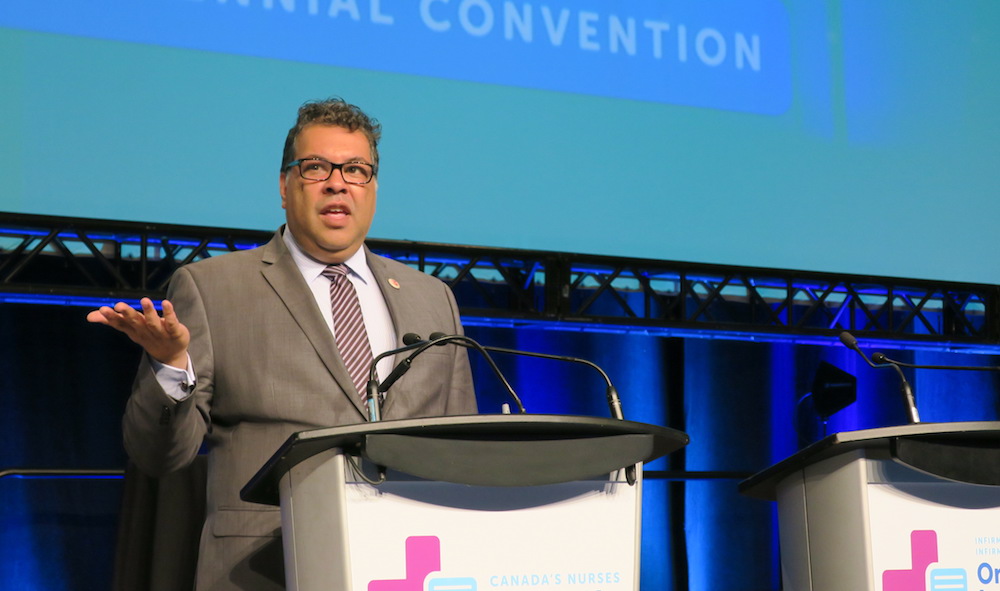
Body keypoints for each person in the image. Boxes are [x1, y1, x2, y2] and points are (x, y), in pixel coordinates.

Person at [88, 98, 478, 590]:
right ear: (284, 186)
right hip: (266, 570)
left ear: (373, 188)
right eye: (316, 167)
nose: (338, 182)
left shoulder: (432, 299)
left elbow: (463, 450)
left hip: (408, 563)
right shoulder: (213, 288)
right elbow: (159, 456)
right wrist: (170, 367)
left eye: (356, 169)